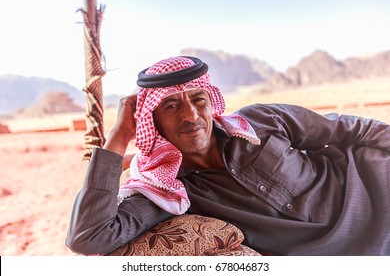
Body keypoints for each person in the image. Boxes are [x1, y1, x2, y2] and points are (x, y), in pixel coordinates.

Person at [66, 56, 390, 256]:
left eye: (198, 100)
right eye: (172, 106)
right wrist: (119, 138)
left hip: (375, 183)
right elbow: (89, 237)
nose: (191, 116)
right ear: (151, 120)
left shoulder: (260, 120)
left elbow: (351, 130)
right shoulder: (167, 190)